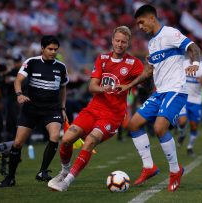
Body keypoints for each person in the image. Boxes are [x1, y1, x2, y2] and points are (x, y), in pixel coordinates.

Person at [47, 26, 144, 192]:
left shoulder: (134, 63)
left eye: (124, 42)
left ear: (128, 44)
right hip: (93, 109)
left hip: (112, 115)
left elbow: (146, 80)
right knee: (67, 139)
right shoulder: (102, 58)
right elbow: (92, 87)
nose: (120, 44)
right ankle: (64, 171)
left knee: (91, 140)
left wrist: (129, 84)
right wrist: (105, 89)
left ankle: (67, 181)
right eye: (117, 40)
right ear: (112, 41)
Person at [116, 4, 200, 192]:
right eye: (137, 23)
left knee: (159, 127)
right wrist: (129, 86)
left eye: (141, 22)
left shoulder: (170, 33)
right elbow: (149, 71)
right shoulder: (152, 43)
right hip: (160, 92)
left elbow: (193, 47)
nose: (140, 26)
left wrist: (194, 63)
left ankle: (175, 171)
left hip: (176, 90)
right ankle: (149, 167)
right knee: (133, 124)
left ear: (152, 18)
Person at [0, 35, 69, 187]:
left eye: (55, 49)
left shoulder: (61, 67)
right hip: (31, 108)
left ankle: (42, 171)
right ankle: (10, 178)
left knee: (55, 136)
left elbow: (63, 88)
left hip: (52, 109)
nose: (53, 52)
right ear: (42, 48)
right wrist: (19, 95)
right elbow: (18, 80)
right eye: (50, 49)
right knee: (17, 143)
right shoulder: (31, 62)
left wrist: (63, 108)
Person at [177, 60, 202, 156]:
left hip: (196, 100)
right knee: (182, 122)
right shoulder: (183, 63)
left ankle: (190, 147)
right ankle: (182, 133)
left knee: (194, 126)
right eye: (190, 51)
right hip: (184, 98)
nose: (192, 53)